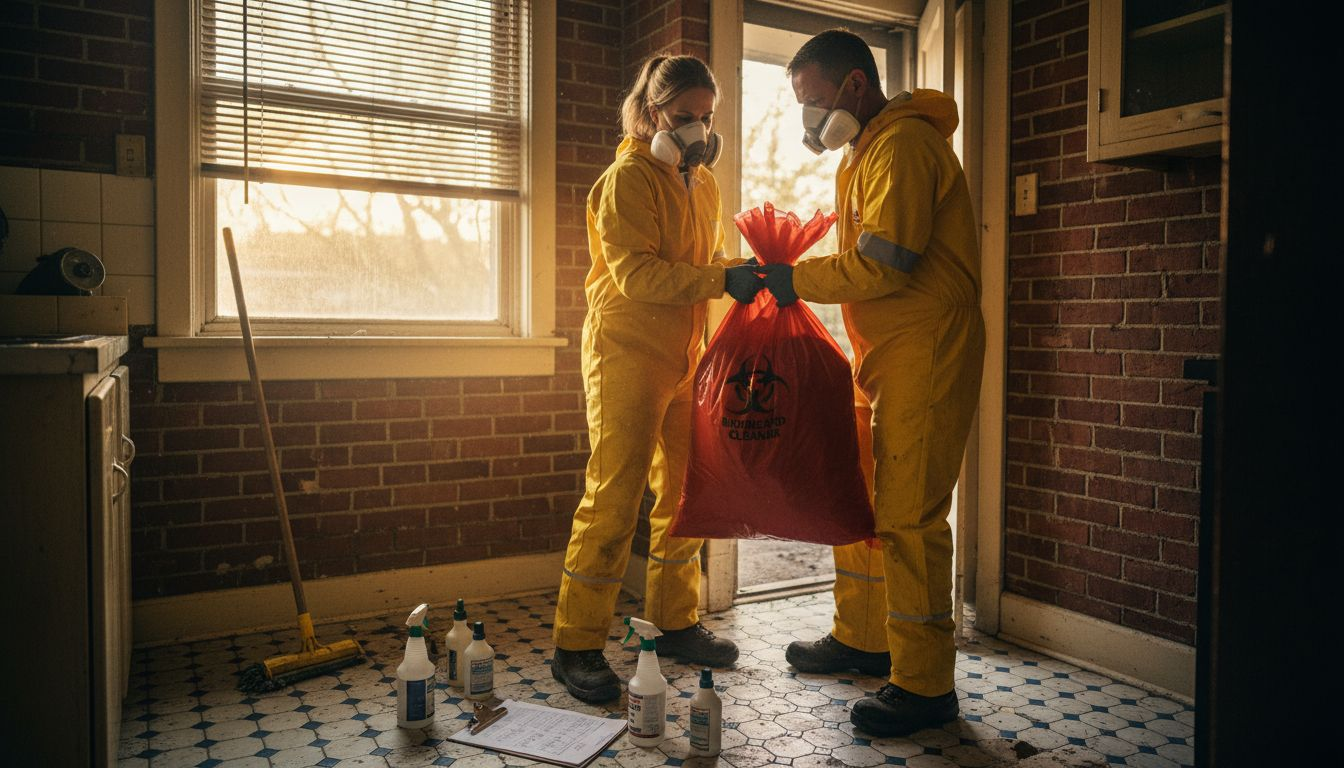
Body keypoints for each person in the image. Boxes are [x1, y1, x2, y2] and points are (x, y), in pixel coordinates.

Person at [758, 30, 986, 737]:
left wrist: (791, 278)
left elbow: (886, 262)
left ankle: (923, 684)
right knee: (862, 497)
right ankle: (862, 634)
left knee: (910, 515)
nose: (809, 120)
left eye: (815, 101)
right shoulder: (867, 151)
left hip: (928, 346)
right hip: (888, 347)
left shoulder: (907, 146)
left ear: (855, 85)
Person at [550, 54, 764, 704]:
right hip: (626, 352)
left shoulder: (701, 184)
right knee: (613, 498)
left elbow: (703, 266)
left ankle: (676, 622)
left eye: (706, 117)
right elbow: (638, 276)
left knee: (686, 491)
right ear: (650, 114)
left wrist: (747, 271)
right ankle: (576, 646)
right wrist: (717, 279)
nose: (698, 130)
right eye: (684, 117)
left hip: (685, 357)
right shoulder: (627, 180)